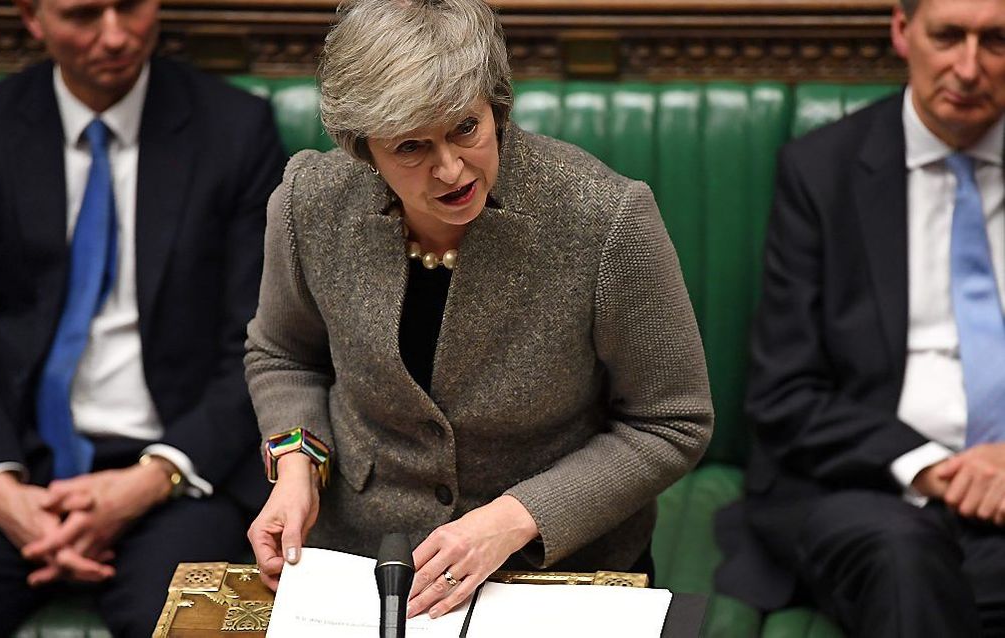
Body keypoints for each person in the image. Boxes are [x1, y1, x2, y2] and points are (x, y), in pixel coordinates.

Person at [244, 0, 712, 620]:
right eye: (411, 147)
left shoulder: (604, 219)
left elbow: (671, 422)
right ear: (364, 150)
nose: (451, 169)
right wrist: (298, 461)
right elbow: (285, 356)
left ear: (496, 103)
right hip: (361, 568)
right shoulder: (310, 202)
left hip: (554, 572)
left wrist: (517, 518)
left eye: (466, 127)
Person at [0, 0, 287, 634]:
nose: (116, 35)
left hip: (176, 469)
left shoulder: (234, 130)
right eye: (83, 15)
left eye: (131, 5)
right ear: (32, 18)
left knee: (185, 623)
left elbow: (264, 341)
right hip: (14, 462)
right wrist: (0, 488)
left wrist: (154, 478)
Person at [714, 0, 1005, 635]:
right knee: (904, 561)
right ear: (904, 32)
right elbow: (784, 393)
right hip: (866, 487)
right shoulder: (822, 172)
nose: (969, 66)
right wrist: (931, 466)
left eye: (997, 41)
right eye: (949, 36)